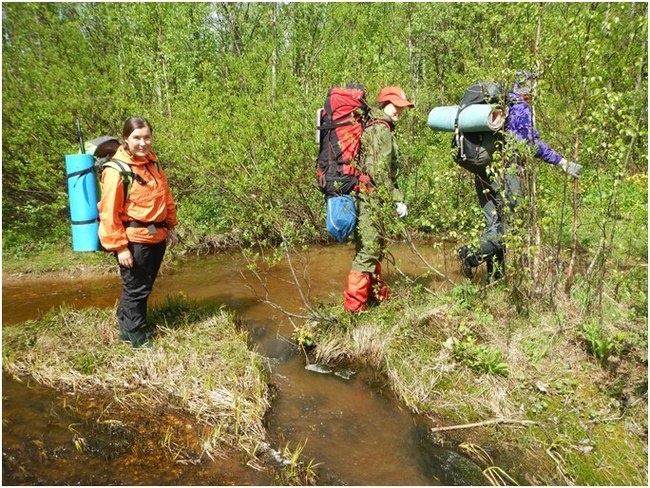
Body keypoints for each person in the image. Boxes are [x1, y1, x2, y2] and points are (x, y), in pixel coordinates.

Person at [457, 71, 582, 282]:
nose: (535, 91)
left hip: (482, 169)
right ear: (527, 88)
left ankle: (494, 277)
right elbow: (530, 144)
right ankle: (471, 254)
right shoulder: (519, 107)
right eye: (533, 86)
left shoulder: (498, 105)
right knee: (513, 224)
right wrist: (561, 162)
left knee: (494, 224)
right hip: (506, 171)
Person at [98, 117, 178, 347]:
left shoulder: (153, 164)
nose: (143, 143)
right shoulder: (117, 171)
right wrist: (120, 247)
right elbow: (109, 213)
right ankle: (136, 338)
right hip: (134, 240)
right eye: (137, 138)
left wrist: (169, 227)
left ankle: (126, 327)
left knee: (143, 285)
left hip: (156, 235)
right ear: (126, 139)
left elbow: (165, 198)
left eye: (146, 137)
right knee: (136, 288)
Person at [343, 86, 414, 313]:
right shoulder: (381, 128)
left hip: (371, 195)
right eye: (396, 106)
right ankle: (354, 309)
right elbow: (380, 170)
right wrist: (395, 198)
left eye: (402, 108)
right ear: (385, 104)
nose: (399, 112)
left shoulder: (377, 125)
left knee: (374, 248)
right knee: (369, 250)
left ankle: (375, 298)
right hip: (371, 197)